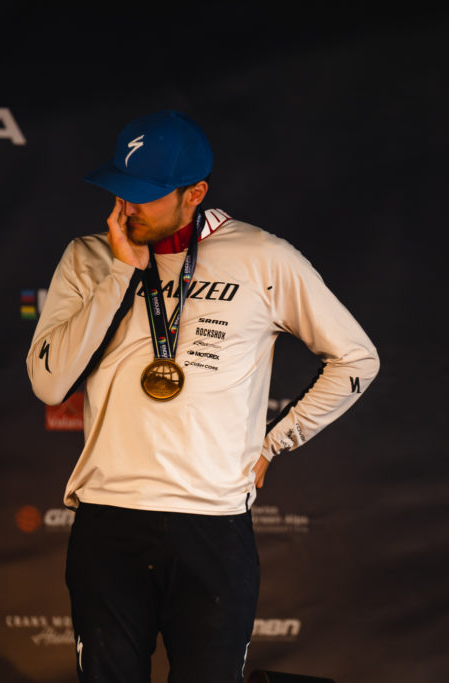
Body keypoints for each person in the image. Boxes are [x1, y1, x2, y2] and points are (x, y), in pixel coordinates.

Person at [26, 110, 379, 683]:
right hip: (109, 520)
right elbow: (48, 383)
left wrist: (275, 443)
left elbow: (357, 358)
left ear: (195, 194)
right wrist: (120, 274)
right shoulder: (87, 258)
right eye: (120, 188)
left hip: (212, 526)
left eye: (145, 193)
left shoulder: (264, 257)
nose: (127, 206)